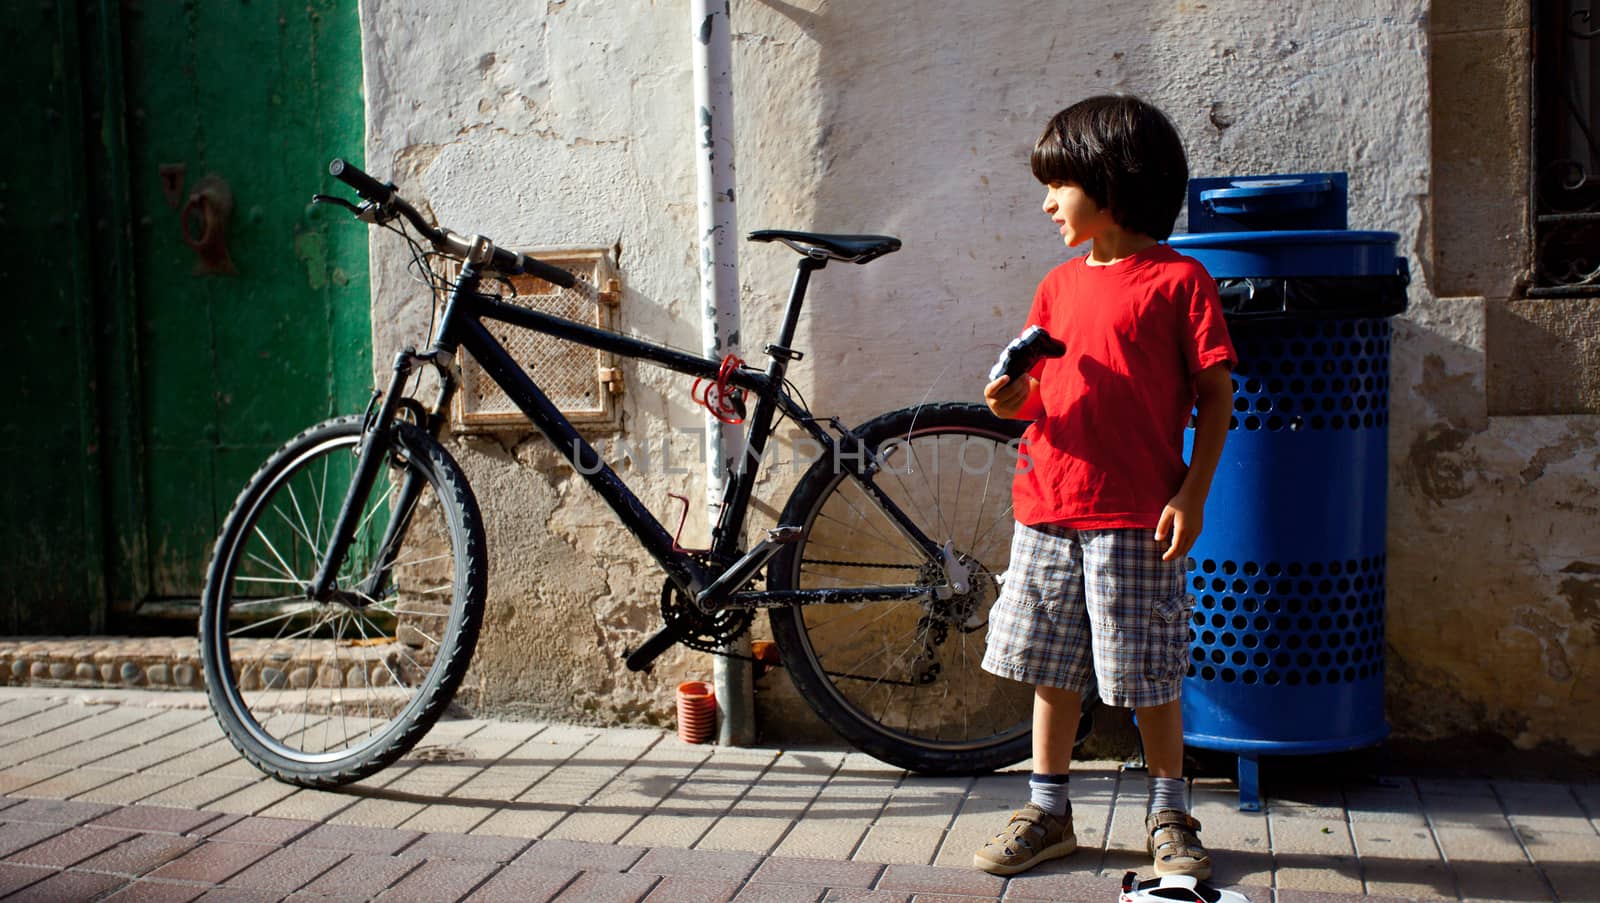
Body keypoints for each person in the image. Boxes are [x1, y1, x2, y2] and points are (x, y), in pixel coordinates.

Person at [973, 95, 1236, 879]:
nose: (1047, 203)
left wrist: (1191, 494)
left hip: (1134, 515)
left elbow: (1216, 395)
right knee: (1054, 667)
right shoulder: (1055, 287)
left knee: (1147, 671)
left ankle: (1170, 807)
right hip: (1048, 505)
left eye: (1059, 185)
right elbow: (1039, 395)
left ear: (1111, 181)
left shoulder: (1180, 282)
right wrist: (1009, 398)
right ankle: (1048, 808)